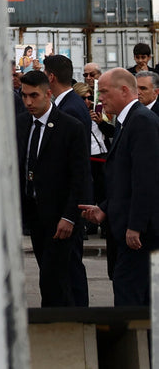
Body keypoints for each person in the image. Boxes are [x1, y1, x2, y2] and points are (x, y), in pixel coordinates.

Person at [79, 68, 159, 306]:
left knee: (131, 300)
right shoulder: (127, 122)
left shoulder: (142, 122)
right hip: (124, 229)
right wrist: (104, 209)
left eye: (103, 91)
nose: (99, 98)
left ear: (124, 90)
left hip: (138, 235)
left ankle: (136, 343)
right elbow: (122, 180)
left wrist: (135, 226)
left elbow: (145, 181)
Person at [16, 70, 90, 307]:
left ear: (48, 93)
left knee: (56, 278)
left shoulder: (70, 127)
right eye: (24, 96)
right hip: (34, 215)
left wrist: (70, 216)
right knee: (48, 273)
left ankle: (63, 325)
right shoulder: (20, 124)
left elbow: (80, 177)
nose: (28, 102)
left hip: (61, 217)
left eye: (33, 96)